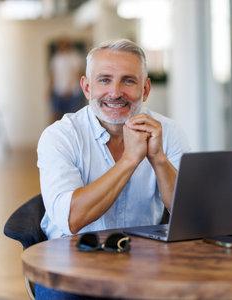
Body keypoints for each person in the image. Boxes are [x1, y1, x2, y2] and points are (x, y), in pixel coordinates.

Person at [35, 39, 190, 299]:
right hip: (72, 262)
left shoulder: (168, 132)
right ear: (86, 87)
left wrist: (159, 159)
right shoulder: (59, 136)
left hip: (144, 260)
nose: (115, 92)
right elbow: (72, 219)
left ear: (146, 88)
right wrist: (129, 160)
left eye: (128, 81)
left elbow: (189, 214)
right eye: (104, 80)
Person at [49, 38, 86, 122]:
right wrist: (50, 89)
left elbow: (77, 73)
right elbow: (53, 74)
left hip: (72, 92)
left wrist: (68, 89)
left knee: (73, 116)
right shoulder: (56, 57)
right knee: (56, 114)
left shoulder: (75, 56)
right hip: (58, 90)